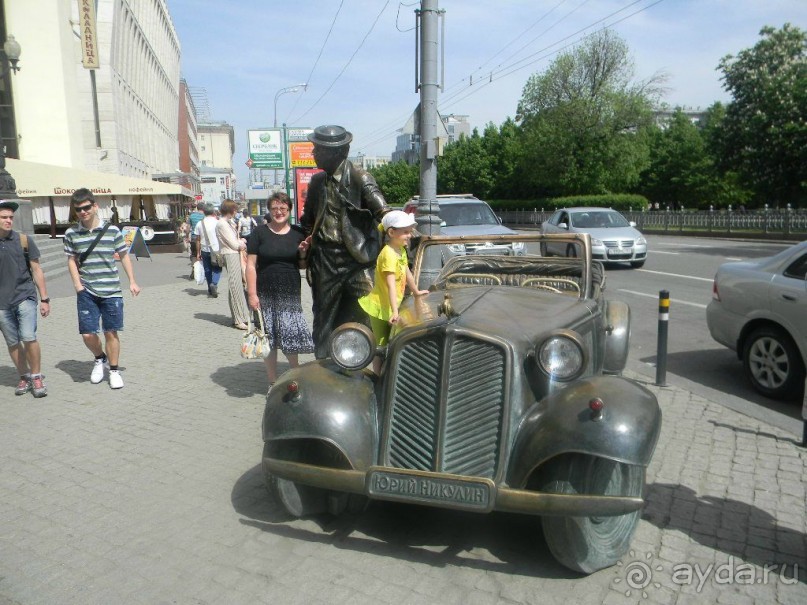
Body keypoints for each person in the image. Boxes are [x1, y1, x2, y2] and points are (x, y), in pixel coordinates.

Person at [299, 124, 390, 358]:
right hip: (326, 260)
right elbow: (307, 219)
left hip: (357, 260)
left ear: (337, 152)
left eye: (318, 150)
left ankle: (363, 359)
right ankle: (321, 367)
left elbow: (382, 210)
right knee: (323, 317)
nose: (313, 154)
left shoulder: (360, 177)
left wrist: (401, 229)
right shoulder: (317, 182)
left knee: (372, 307)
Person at [63, 188, 141, 389]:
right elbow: (71, 260)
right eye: (79, 209)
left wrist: (132, 280)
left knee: (110, 332)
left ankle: (114, 370)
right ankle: (100, 358)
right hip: (86, 291)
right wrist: (77, 285)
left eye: (87, 207)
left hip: (111, 290)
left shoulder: (112, 231)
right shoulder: (72, 234)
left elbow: (123, 256)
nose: (83, 212)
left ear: (95, 206)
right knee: (88, 334)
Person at [246, 192, 314, 388]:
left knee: (290, 333)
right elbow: (251, 265)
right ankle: (272, 381)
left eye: (283, 208)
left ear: (289, 210)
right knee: (268, 337)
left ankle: (294, 375)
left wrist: (302, 252)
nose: (278, 212)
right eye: (274, 208)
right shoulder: (259, 233)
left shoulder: (298, 233)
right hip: (265, 290)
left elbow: (302, 266)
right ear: (269, 210)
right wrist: (252, 293)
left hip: (290, 291)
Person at [358, 211, 428, 374]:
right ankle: (377, 375)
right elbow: (390, 285)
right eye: (405, 232)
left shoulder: (400, 250)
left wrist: (416, 291)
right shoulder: (388, 254)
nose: (409, 236)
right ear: (391, 233)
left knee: (397, 338)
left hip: (393, 304)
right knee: (381, 345)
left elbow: (407, 272)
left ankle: (393, 372)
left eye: (410, 232)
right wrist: (395, 311)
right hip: (382, 306)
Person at [0, 200, 51, 398]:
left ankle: (37, 376)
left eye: (11, 217)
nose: (8, 221)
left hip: (25, 296)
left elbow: (37, 270)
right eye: (4, 217)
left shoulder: (23, 240)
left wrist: (45, 299)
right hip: (2, 304)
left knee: (29, 336)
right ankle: (24, 375)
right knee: (13, 342)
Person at [216, 199, 250, 329]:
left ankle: (239, 316)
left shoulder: (228, 222)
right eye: (235, 209)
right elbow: (234, 244)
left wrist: (239, 240)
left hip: (233, 254)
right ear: (230, 210)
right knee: (235, 286)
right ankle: (238, 319)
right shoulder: (222, 224)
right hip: (230, 254)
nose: (236, 212)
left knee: (236, 285)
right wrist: (242, 243)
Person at [194, 203, 222, 297]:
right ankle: (214, 284)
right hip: (216, 249)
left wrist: (198, 253)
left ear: (204, 212)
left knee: (207, 269)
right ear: (213, 211)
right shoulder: (218, 222)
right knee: (217, 269)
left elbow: (197, 240)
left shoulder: (199, 223)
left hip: (204, 249)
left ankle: (210, 289)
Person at [187, 201, 205, 276]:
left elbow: (188, 228)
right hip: (204, 238)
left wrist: (187, 236)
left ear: (197, 208)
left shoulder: (191, 216)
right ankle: (202, 271)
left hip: (194, 237)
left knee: (194, 254)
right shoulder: (205, 216)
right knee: (204, 254)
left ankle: (194, 268)